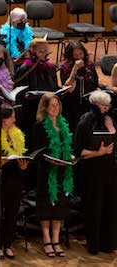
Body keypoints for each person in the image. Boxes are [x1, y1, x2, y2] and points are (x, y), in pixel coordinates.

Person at [74, 90, 117, 254]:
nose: (106, 108)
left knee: (109, 206)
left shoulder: (109, 120)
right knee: (95, 207)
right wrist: (99, 153)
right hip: (92, 171)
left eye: (108, 105)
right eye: (103, 105)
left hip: (109, 169)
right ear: (94, 105)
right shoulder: (85, 122)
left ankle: (108, 244)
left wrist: (111, 129)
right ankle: (94, 244)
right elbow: (78, 152)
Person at [33, 93, 74, 258]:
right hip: (46, 172)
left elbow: (69, 148)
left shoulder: (64, 125)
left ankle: (56, 239)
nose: (55, 108)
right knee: (46, 206)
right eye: (52, 105)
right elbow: (37, 151)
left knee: (59, 207)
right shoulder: (40, 126)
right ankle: (46, 239)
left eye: (57, 105)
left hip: (62, 172)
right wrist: (50, 160)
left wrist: (70, 157)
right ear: (45, 107)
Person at [0, 105, 28, 259]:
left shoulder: (17, 133)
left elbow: (21, 155)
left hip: (15, 178)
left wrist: (23, 166)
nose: (15, 119)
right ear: (4, 119)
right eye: (12, 117)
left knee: (12, 212)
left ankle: (8, 244)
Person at [15, 38, 58, 148]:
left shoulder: (51, 67)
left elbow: (54, 86)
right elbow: (19, 91)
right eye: (41, 51)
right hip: (32, 108)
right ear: (33, 52)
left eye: (45, 50)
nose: (44, 53)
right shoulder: (26, 68)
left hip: (48, 107)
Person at [60, 40, 98, 133]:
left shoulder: (90, 66)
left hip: (88, 102)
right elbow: (67, 87)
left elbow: (95, 84)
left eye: (80, 53)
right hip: (72, 104)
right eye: (75, 54)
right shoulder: (64, 67)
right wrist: (74, 70)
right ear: (70, 55)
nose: (78, 57)